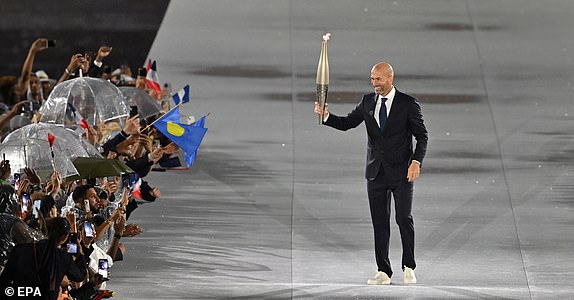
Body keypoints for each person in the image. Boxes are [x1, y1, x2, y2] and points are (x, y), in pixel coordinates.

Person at [314, 61, 428, 285]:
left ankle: (409, 266)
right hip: (375, 173)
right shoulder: (367, 102)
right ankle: (383, 271)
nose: (374, 83)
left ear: (390, 79)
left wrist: (416, 161)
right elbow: (347, 123)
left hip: (401, 172)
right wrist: (326, 116)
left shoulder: (408, 104)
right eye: (372, 79)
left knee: (403, 218)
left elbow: (422, 136)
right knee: (380, 222)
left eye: (378, 79)